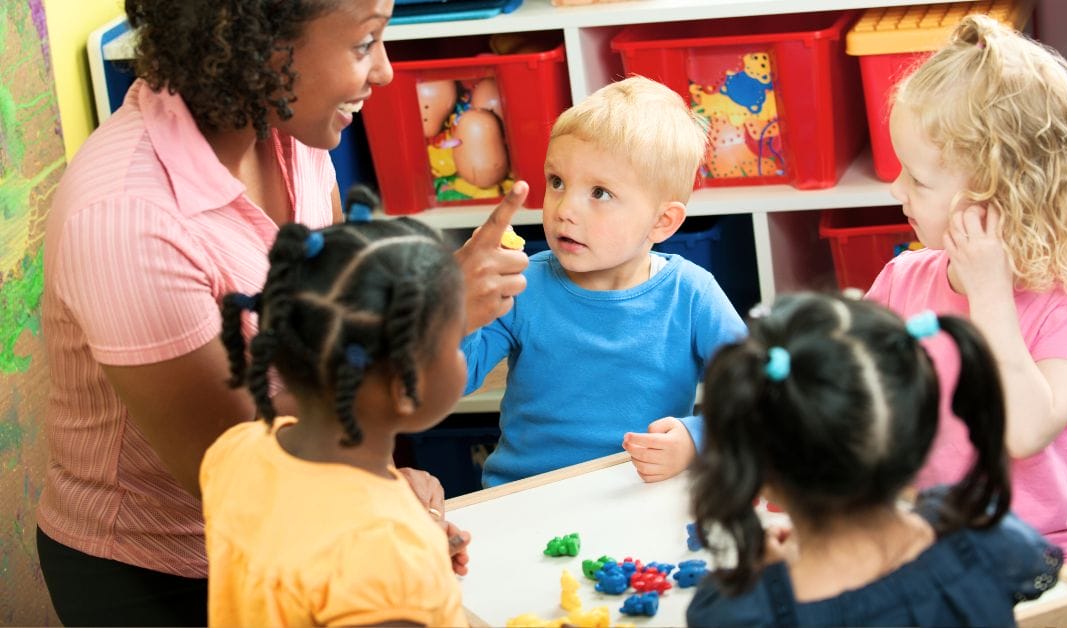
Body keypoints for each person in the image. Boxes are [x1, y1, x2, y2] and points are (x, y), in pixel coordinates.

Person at [37, 0, 527, 624]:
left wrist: (384, 482)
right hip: (165, 574)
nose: (384, 72)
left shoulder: (290, 129)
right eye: (364, 42)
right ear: (264, 43)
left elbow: (332, 329)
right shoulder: (127, 221)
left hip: (301, 531)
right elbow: (239, 471)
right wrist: (433, 316)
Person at [865, 14, 1067, 602]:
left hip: (1059, 560)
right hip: (934, 549)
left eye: (916, 178)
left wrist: (990, 295)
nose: (896, 190)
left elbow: (1021, 432)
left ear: (996, 199)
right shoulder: (901, 280)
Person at [686, 293, 1062, 626]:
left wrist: (766, 579)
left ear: (758, 476)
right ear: (918, 434)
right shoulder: (983, 537)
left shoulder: (742, 612)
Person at [460, 76, 746, 487]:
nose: (564, 209)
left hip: (638, 495)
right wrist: (459, 304)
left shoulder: (692, 294)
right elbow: (457, 378)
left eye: (600, 193)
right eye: (557, 182)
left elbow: (757, 397)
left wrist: (696, 440)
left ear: (662, 222)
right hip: (527, 496)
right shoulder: (522, 283)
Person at [204, 216, 469, 626]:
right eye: (457, 342)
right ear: (404, 386)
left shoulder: (238, 448)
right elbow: (360, 558)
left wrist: (421, 549)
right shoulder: (382, 555)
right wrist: (407, 566)